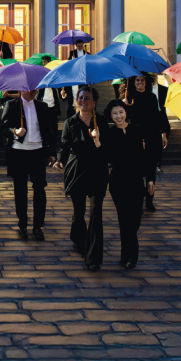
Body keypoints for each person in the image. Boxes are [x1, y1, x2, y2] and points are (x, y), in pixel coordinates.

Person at [55, 87, 109, 269]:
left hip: (97, 171)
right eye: (81, 98)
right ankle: (79, 239)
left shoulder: (101, 121)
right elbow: (65, 145)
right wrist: (60, 160)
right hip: (77, 169)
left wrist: (98, 140)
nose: (84, 101)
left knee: (95, 213)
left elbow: (107, 149)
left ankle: (94, 257)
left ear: (94, 102)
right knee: (78, 212)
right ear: (76, 100)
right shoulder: (70, 122)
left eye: (88, 98)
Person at [103, 99, 157, 269]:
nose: (118, 116)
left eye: (121, 112)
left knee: (135, 217)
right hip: (118, 181)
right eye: (115, 113)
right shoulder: (109, 134)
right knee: (124, 219)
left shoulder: (138, 130)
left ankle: (127, 254)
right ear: (110, 115)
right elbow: (107, 157)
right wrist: (97, 142)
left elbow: (148, 156)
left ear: (126, 112)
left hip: (136, 180)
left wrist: (150, 178)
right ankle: (129, 256)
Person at [2, 88, 58, 240]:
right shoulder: (12, 105)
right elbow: (3, 127)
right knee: (20, 190)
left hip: (37, 152)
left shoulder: (42, 106)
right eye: (30, 88)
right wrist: (14, 131)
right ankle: (22, 224)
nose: (34, 91)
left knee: (40, 189)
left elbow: (48, 130)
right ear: (21, 89)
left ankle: (38, 226)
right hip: (18, 152)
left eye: (35, 88)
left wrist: (52, 152)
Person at [124, 75, 169, 211]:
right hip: (135, 136)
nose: (140, 82)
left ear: (146, 82)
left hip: (151, 136)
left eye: (142, 80)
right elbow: (123, 118)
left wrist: (163, 132)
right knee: (136, 170)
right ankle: (138, 197)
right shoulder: (128, 97)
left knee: (150, 170)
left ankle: (149, 200)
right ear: (133, 82)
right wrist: (124, 105)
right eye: (137, 80)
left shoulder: (151, 97)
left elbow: (157, 116)